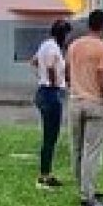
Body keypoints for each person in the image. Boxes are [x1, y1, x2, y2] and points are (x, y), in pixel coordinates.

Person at [66, 9, 103, 203]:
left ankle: (81, 187)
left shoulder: (74, 46)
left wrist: (77, 87)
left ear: (88, 25)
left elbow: (68, 73)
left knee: (76, 147)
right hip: (96, 103)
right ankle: (88, 193)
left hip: (76, 101)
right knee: (92, 150)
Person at [31, 19, 72, 190]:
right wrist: (53, 82)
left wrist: (40, 77)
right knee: (50, 137)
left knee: (50, 136)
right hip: (50, 93)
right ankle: (44, 176)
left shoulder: (45, 45)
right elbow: (49, 67)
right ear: (63, 34)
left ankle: (46, 173)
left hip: (45, 90)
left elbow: (33, 61)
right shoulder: (53, 47)